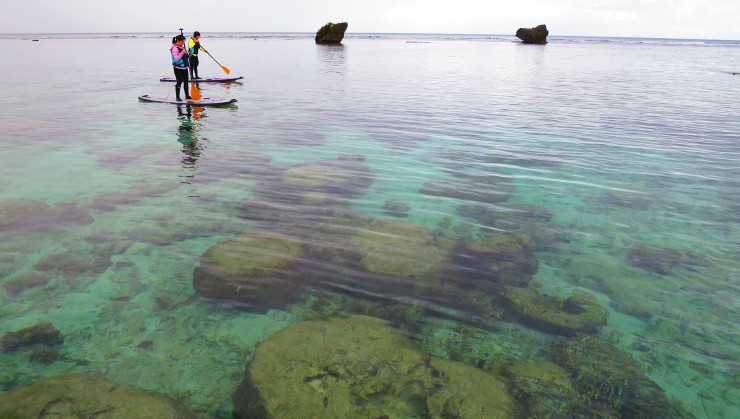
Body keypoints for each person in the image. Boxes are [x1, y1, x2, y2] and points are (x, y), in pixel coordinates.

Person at [170, 35, 191, 101]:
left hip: (184, 68)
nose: (183, 43)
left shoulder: (181, 48)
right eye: (182, 42)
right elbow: (176, 59)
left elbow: (185, 58)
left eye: (184, 42)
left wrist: (189, 55)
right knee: (179, 82)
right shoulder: (175, 49)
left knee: (186, 82)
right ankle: (177, 97)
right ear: (178, 41)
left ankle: (187, 95)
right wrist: (182, 52)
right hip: (178, 68)